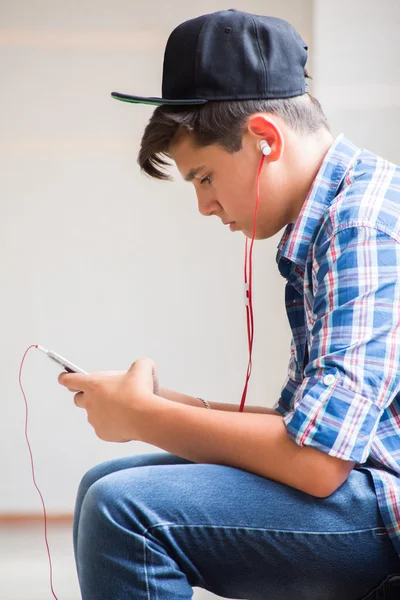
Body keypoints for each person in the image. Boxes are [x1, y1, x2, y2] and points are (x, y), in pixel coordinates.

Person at [58, 9, 400, 600]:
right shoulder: (333, 217)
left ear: (265, 139)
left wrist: (144, 417)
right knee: (102, 485)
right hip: (362, 483)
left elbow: (318, 462)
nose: (205, 207)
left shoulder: (362, 225)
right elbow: (318, 429)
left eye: (205, 178)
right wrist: (171, 405)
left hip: (384, 506)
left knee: (123, 509)